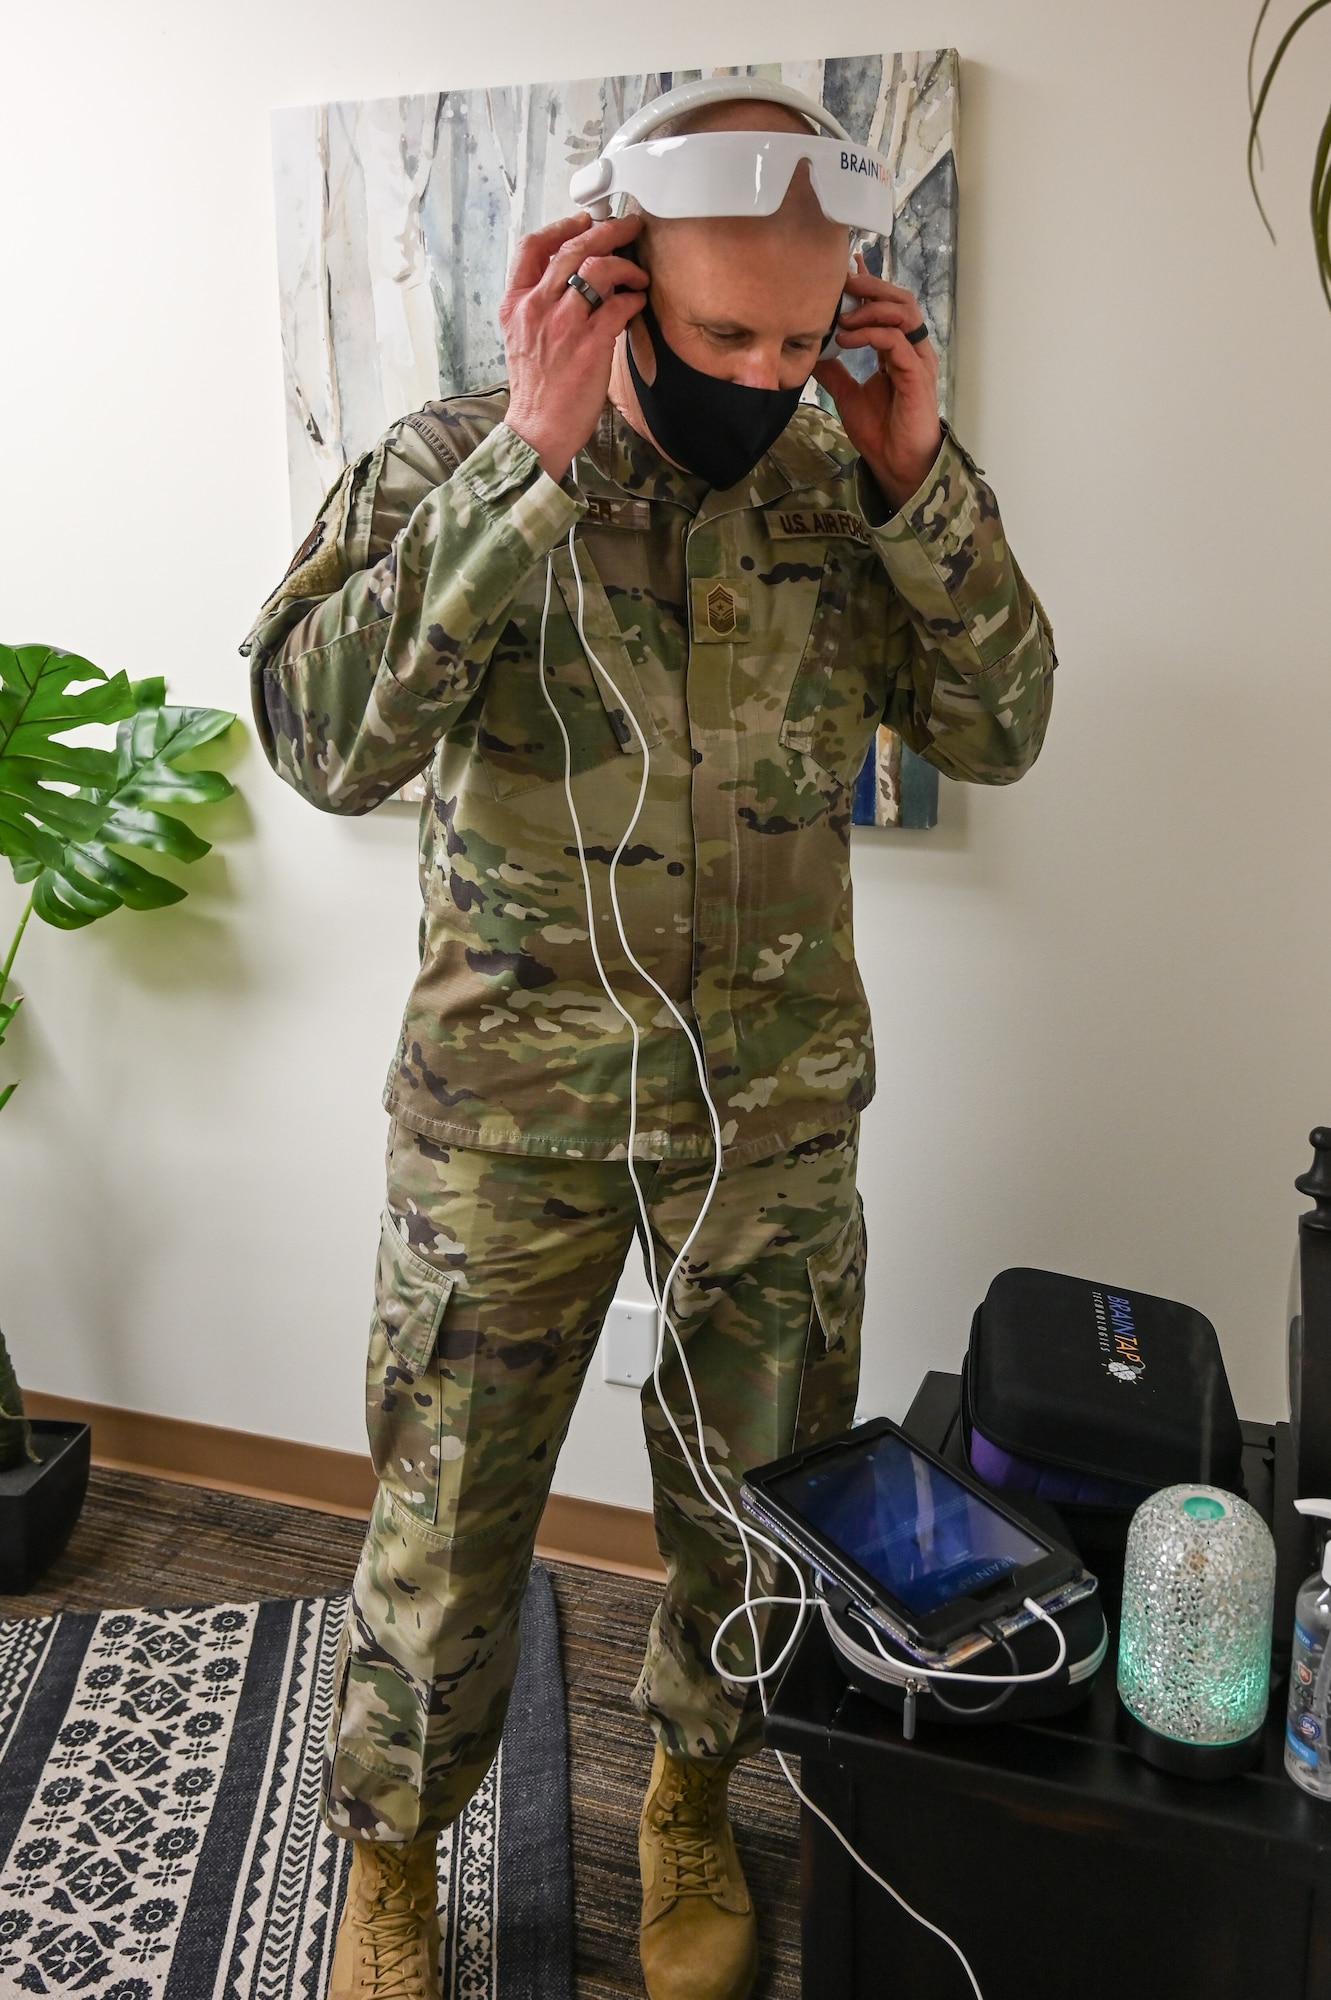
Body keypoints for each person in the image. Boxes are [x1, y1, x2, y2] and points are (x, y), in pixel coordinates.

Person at [243, 78, 1056, 2000]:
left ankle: (691, 1794)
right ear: (605, 279)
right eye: (721, 336)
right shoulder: (452, 453)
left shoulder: (847, 484)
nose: (764, 377)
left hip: (765, 1126)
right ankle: (394, 1851)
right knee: (448, 1514)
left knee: (750, 1510)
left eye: (798, 337)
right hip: (503, 1119)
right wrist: (524, 466)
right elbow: (321, 743)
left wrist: (917, 474)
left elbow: (1005, 726)